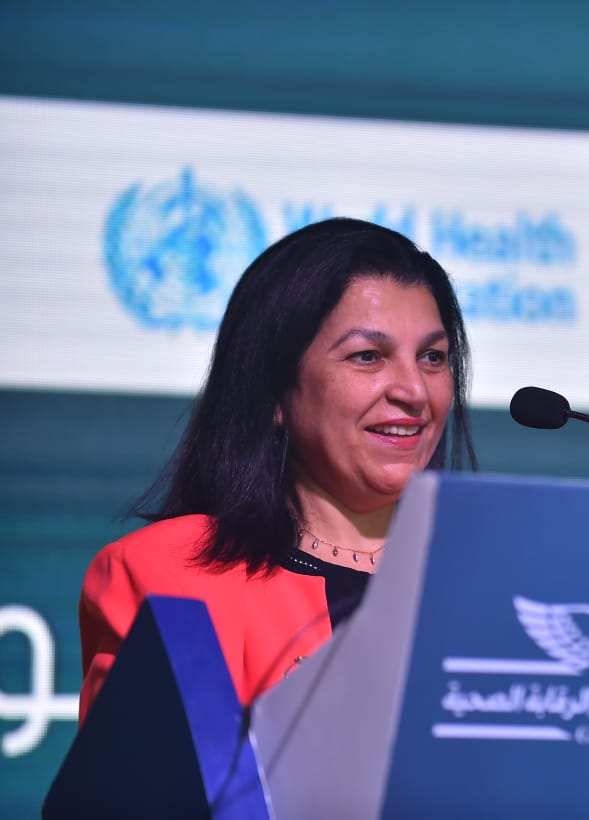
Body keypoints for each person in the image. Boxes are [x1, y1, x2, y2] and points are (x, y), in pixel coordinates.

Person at [77, 217, 476, 723]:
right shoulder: (169, 578)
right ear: (274, 392)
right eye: (368, 356)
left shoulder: (492, 581)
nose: (414, 390)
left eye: (432, 357)